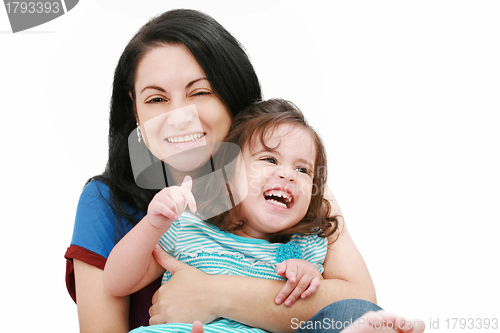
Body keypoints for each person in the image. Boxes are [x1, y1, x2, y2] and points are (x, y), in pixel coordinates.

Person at [65, 9, 378, 333]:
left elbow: (356, 307)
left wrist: (211, 294)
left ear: (232, 94)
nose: (179, 117)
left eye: (200, 92)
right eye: (156, 99)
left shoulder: (293, 187)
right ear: (135, 109)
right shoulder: (109, 202)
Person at [104, 99, 340, 332]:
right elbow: (117, 282)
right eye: (270, 159)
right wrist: (152, 225)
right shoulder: (189, 227)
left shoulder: (306, 247)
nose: (288, 175)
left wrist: (308, 280)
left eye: (303, 170)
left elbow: (323, 316)